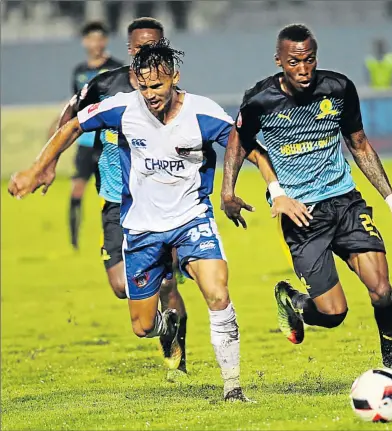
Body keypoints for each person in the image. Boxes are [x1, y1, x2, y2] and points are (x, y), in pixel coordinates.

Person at [8, 39, 274, 401]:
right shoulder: (122, 108)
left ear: (175, 78)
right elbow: (71, 126)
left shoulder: (202, 113)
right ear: (135, 81)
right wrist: (39, 168)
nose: (150, 95)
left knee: (217, 291)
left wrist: (271, 188)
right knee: (142, 326)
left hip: (191, 219)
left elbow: (242, 143)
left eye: (158, 86)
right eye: (144, 86)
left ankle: (233, 388)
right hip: (142, 229)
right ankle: (167, 324)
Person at [221, 24, 392, 371]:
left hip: (345, 201)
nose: (303, 70)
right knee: (333, 314)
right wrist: (229, 192)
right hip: (301, 214)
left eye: (309, 60)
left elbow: (358, 144)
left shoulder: (339, 88)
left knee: (382, 290)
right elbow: (240, 141)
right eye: (294, 62)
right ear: (279, 61)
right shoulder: (259, 100)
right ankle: (294, 300)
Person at [36, 18, 190, 379]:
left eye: (153, 46)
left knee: (167, 285)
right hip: (116, 203)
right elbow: (71, 115)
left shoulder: (169, 92)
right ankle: (162, 328)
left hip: (159, 204)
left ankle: (179, 363)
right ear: (129, 50)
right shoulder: (105, 84)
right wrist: (49, 161)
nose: (146, 54)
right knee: (122, 288)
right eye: (139, 48)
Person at [68, 21, 123, 249]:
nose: (95, 43)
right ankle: (74, 242)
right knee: (77, 188)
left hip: (107, 141)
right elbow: (75, 105)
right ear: (85, 42)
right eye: (91, 39)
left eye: (100, 38)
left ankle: (114, 237)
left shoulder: (116, 68)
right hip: (85, 141)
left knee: (110, 191)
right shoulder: (80, 71)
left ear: (105, 41)